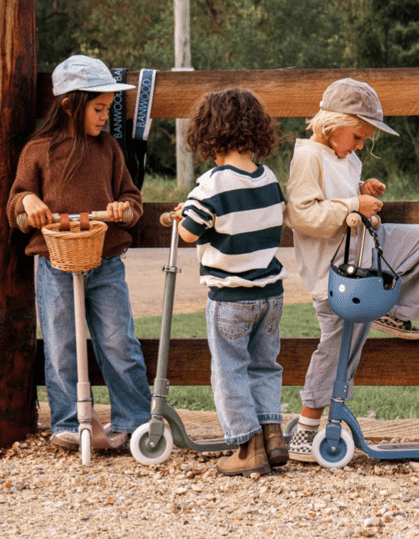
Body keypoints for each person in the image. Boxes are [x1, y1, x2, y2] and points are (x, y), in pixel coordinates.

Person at [284, 78, 419, 463]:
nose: (359, 145)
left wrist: (362, 187)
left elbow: (341, 193)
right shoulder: (308, 158)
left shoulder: (344, 156)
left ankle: (393, 311)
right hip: (335, 272)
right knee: (337, 346)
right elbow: (303, 216)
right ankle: (306, 427)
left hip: (363, 252)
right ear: (334, 124)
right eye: (357, 136)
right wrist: (354, 203)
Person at [6, 54, 151, 451]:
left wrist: (126, 210)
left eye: (108, 109)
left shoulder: (109, 151)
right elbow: (15, 204)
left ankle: (135, 421)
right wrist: (30, 203)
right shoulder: (39, 151)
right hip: (55, 263)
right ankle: (69, 422)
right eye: (99, 108)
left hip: (105, 263)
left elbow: (131, 198)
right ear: (71, 104)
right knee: (61, 344)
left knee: (119, 341)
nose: (105, 116)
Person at [170, 88, 288, 476]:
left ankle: (246, 448)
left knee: (230, 370)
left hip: (230, 297)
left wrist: (181, 215)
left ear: (208, 134)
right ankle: (272, 436)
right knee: (264, 365)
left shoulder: (213, 184)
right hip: (271, 294)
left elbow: (189, 233)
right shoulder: (268, 178)